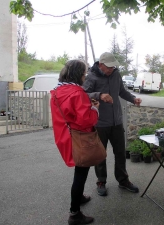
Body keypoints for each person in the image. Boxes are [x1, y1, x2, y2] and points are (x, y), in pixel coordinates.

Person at [83, 52, 142, 196]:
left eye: (113, 66)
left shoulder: (116, 74)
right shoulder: (91, 76)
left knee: (120, 153)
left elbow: (121, 91)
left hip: (116, 121)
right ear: (101, 64)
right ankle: (101, 181)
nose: (111, 69)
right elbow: (83, 94)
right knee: (100, 154)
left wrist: (133, 99)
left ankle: (123, 180)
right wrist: (99, 95)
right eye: (109, 67)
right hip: (100, 122)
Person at [50, 60, 99, 225]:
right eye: (84, 73)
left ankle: (79, 198)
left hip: (65, 136)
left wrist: (86, 106)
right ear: (78, 74)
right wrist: (95, 109)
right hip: (80, 138)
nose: (85, 76)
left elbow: (69, 113)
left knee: (80, 171)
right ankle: (74, 213)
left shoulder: (58, 91)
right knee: (81, 174)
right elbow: (86, 120)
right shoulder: (78, 92)